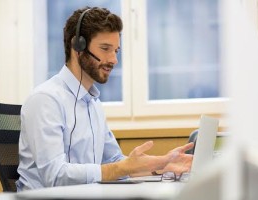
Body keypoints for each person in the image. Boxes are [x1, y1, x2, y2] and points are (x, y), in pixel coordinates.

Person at [16, 6, 194, 191]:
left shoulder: (92, 102)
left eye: (116, 50)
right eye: (105, 49)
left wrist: (162, 165)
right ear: (78, 46)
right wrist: (122, 167)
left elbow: (114, 162)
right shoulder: (46, 100)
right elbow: (55, 176)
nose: (114, 59)